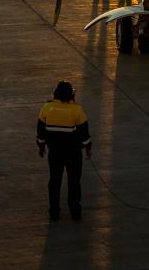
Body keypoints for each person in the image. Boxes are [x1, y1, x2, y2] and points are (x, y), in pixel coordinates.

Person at [37, 80, 92, 221]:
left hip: (55, 152)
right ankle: (75, 211)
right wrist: (88, 148)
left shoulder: (46, 108)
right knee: (74, 181)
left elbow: (41, 131)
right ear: (72, 95)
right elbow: (84, 133)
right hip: (73, 153)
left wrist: (41, 146)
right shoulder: (77, 110)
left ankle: (54, 211)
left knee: (55, 181)